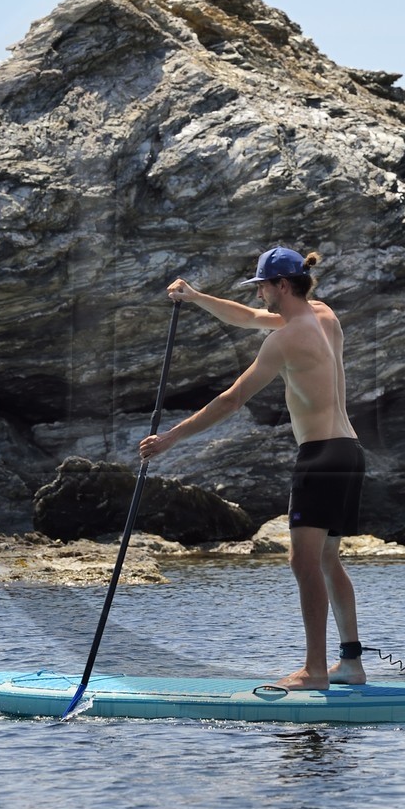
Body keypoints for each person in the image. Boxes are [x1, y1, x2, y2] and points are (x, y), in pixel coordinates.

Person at [139, 247, 367, 691]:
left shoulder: (283, 340)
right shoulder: (322, 315)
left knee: (303, 562)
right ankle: (351, 664)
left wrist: (170, 438)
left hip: (320, 459)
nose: (258, 292)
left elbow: (231, 399)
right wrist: (196, 297)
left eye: (262, 285)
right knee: (326, 560)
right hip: (349, 451)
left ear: (281, 285)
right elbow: (245, 317)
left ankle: (315, 671)